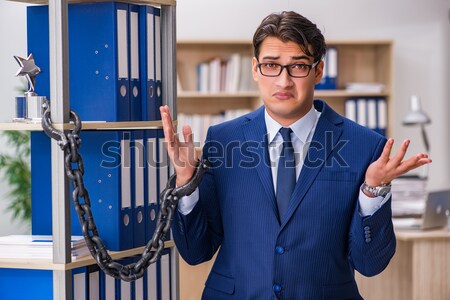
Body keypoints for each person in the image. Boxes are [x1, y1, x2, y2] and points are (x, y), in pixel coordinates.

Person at [160, 11, 432, 300]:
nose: (283, 81)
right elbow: (195, 252)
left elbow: (370, 263)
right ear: (255, 69)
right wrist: (186, 183)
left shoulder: (364, 146)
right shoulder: (223, 140)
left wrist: (373, 192)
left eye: (298, 66)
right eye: (271, 66)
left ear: (318, 71)